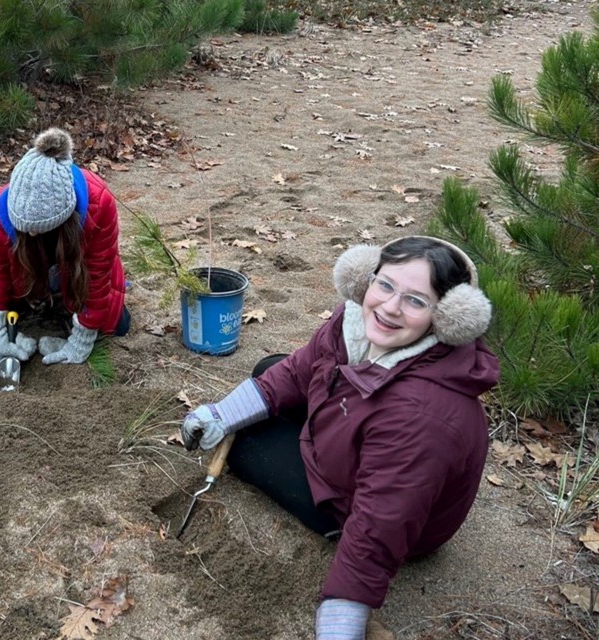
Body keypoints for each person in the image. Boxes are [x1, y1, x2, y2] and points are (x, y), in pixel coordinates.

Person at [179, 236, 499, 639]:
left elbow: (380, 523)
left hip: (387, 517)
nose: (389, 307)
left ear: (448, 318)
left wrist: (342, 617)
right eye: (385, 285)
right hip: (362, 435)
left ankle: (330, 522)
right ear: (366, 278)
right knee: (267, 370)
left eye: (416, 301)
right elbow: (299, 370)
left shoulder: (422, 416)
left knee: (248, 442)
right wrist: (221, 414)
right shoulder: (354, 321)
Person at [0, 127, 129, 365]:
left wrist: (81, 341)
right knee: (7, 313)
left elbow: (98, 274)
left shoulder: (98, 204)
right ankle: (41, 302)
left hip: (75, 277)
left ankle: (64, 307)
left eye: (39, 228)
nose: (32, 232)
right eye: (24, 228)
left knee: (116, 324)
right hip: (28, 281)